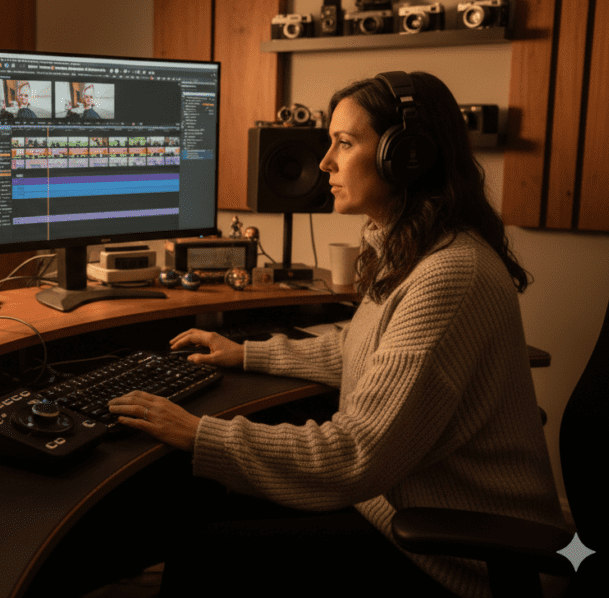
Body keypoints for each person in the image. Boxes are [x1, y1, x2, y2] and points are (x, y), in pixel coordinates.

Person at [108, 71, 567, 596]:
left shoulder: (449, 274)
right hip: (398, 508)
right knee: (213, 502)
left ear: (406, 156)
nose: (324, 162)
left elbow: (353, 458)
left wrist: (200, 433)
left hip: (457, 555)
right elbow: (363, 349)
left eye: (344, 143)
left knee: (204, 550)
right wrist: (248, 353)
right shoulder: (414, 248)